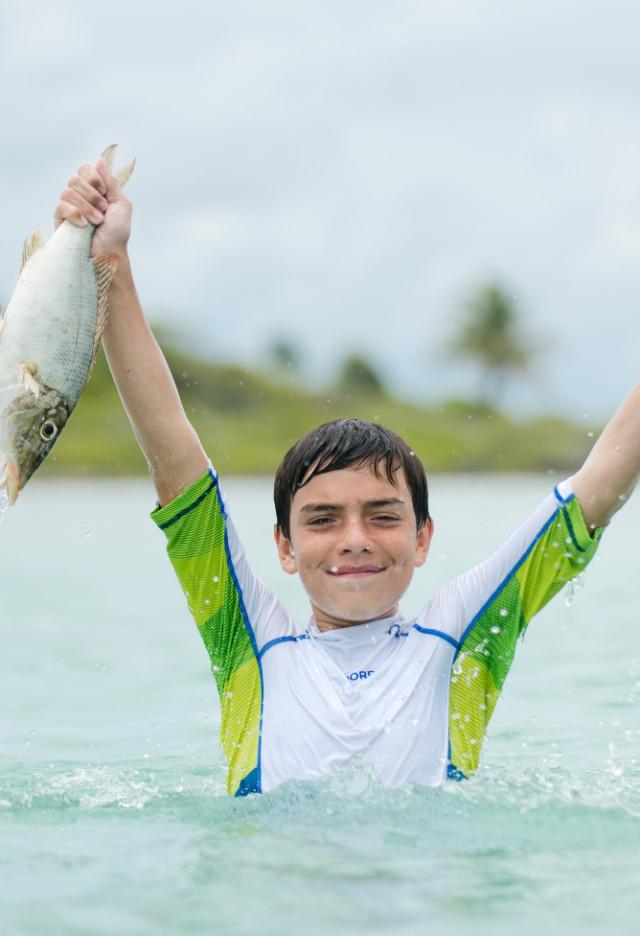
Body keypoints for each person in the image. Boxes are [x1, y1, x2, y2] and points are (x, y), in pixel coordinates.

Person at [55, 157, 639, 796]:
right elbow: (174, 459)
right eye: (323, 518)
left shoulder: (461, 634)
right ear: (284, 545)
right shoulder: (248, 640)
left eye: (383, 515)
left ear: (422, 538)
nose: (355, 538)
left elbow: (600, 483)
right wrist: (111, 265)